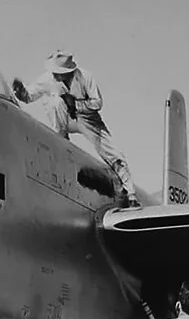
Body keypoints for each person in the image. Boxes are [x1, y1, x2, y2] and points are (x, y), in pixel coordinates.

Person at [12, 50, 140, 207]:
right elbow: (29, 96)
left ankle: (131, 194)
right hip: (64, 116)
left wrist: (76, 103)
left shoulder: (85, 77)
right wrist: (20, 92)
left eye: (61, 73)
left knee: (114, 154)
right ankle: (61, 139)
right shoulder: (47, 79)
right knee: (55, 103)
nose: (57, 76)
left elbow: (97, 103)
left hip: (87, 118)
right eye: (55, 73)